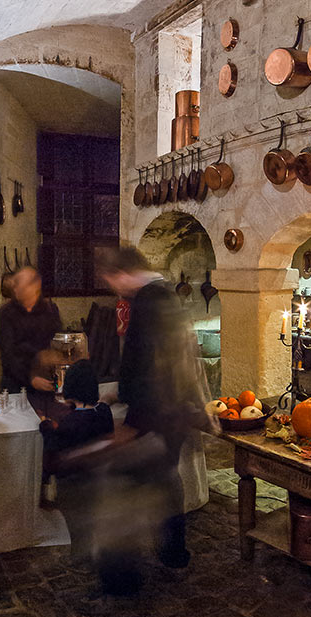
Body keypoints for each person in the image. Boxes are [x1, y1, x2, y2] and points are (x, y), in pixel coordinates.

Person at [92, 246, 214, 595]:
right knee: (164, 481)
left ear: (120, 274)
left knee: (123, 486)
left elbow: (151, 363)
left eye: (110, 279)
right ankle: (173, 553)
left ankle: (121, 577)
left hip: (154, 414)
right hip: (170, 413)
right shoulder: (165, 296)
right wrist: (120, 392)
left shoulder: (148, 301)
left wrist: (134, 421)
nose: (112, 287)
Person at [39, 360, 112, 564]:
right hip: (98, 479)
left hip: (73, 484)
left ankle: (81, 557)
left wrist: (45, 425)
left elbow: (54, 444)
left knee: (77, 523)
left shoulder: (70, 423)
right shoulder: (104, 412)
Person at [0, 266, 61, 397]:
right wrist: (31, 379)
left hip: (46, 383)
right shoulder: (6, 313)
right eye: (15, 286)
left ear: (35, 286)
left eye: (19, 286)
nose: (15, 289)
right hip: (16, 385)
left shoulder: (49, 310)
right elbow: (8, 355)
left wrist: (55, 356)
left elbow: (56, 342)